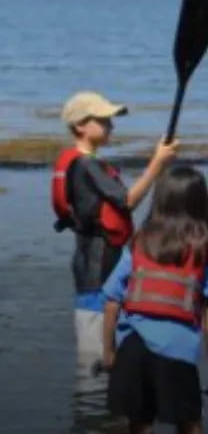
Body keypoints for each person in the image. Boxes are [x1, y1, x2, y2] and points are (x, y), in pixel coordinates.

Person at [53, 91, 176, 363]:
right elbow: (128, 201)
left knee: (105, 359)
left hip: (99, 267)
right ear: (80, 126)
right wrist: (157, 164)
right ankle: (92, 405)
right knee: (93, 363)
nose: (111, 125)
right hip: (96, 274)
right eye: (104, 120)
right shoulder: (86, 165)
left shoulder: (89, 164)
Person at [102, 165, 208, 434]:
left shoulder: (139, 241)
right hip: (178, 353)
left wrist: (108, 352)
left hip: (132, 349)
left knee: (139, 424)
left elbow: (112, 302)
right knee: (190, 424)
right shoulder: (202, 248)